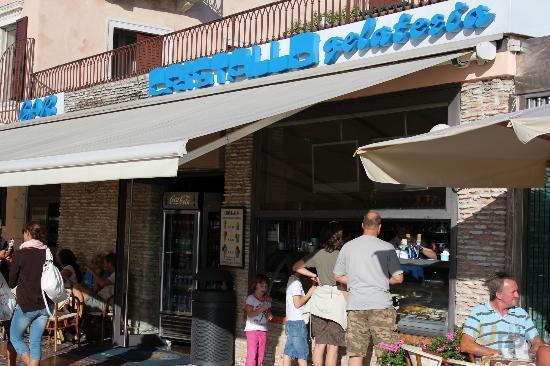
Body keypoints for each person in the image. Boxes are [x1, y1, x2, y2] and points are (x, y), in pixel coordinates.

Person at [333, 211, 404, 366]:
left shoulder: (348, 246)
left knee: (355, 354)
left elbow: (338, 276)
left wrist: (357, 280)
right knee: (386, 354)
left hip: (356, 305)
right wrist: (380, 280)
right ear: (379, 227)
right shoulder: (387, 247)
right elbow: (399, 278)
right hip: (381, 306)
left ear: (362, 225)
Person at [293, 221, 347, 366]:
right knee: (333, 346)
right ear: (339, 237)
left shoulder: (318, 254)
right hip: (337, 300)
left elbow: (296, 267)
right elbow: (346, 282)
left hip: (319, 300)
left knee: (320, 344)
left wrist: (314, 276)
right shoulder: (343, 256)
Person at [461, 272, 544, 358]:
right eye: (513, 292)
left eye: (517, 291)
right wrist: (500, 354)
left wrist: (528, 356)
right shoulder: (479, 313)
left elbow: (537, 342)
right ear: (499, 295)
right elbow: (466, 345)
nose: (517, 295)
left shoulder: (521, 314)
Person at [8, 222, 50, 366]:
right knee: (35, 342)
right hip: (45, 305)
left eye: (24, 233)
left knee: (15, 337)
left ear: (27, 233)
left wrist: (13, 264)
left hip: (26, 305)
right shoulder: (47, 252)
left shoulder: (19, 254)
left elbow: (12, 282)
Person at [283, 273, 316, 366]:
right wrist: (310, 292)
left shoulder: (292, 280)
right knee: (302, 354)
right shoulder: (296, 282)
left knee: (288, 351)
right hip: (297, 323)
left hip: (291, 321)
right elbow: (297, 304)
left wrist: (313, 284)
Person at [244, 274, 273, 366]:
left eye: (265, 286)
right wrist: (262, 308)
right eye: (261, 286)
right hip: (252, 330)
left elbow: (268, 312)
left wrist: (269, 314)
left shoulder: (266, 300)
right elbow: (250, 314)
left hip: (263, 330)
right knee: (252, 355)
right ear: (256, 285)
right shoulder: (250, 298)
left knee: (260, 355)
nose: (264, 288)